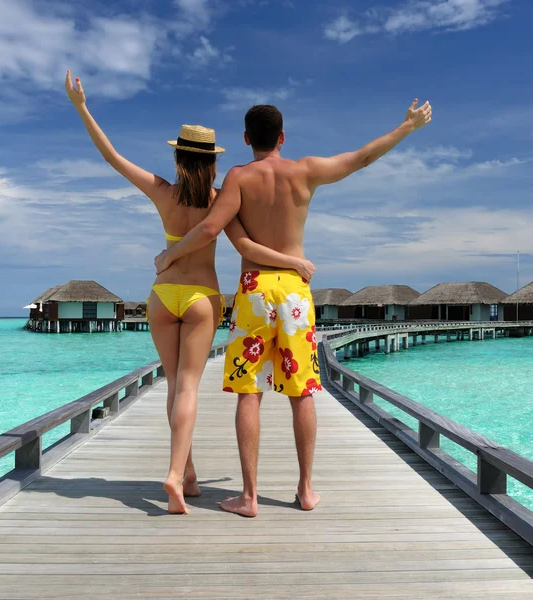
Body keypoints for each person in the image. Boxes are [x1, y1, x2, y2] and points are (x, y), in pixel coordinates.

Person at [154, 99, 433, 517]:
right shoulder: (305, 172)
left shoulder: (238, 178)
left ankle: (249, 497)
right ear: (282, 137)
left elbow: (212, 227)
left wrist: (170, 257)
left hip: (254, 290)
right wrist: (406, 127)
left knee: (250, 393)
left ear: (247, 139)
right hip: (296, 294)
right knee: (302, 393)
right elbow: (361, 158)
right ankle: (305, 490)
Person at [65, 72, 316, 514]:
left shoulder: (162, 191)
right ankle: (178, 475)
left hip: (162, 295)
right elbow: (240, 243)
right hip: (203, 297)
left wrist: (82, 107)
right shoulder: (223, 197)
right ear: (213, 162)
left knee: (172, 385)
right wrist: (294, 262)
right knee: (189, 389)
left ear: (179, 158)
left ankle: (189, 473)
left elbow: (112, 157)